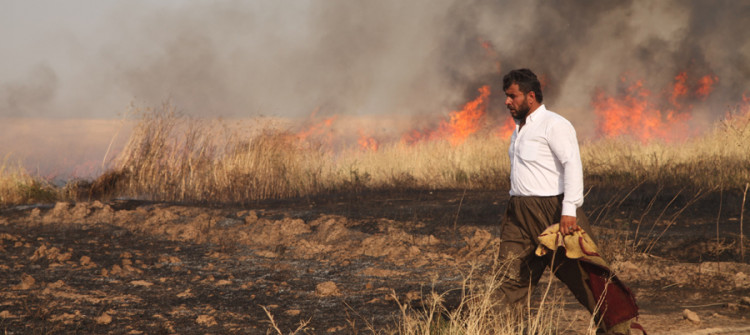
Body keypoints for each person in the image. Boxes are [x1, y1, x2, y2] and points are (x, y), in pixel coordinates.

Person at [495, 69, 641, 334]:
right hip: (518, 213)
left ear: (530, 96)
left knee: (587, 279)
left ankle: (618, 331)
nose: (507, 102)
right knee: (509, 278)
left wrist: (569, 210)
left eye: (512, 96)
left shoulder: (555, 124)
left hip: (553, 212)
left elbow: (572, 165)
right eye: (506, 96)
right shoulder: (519, 131)